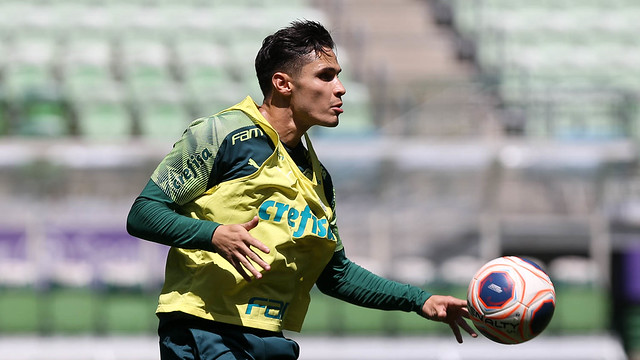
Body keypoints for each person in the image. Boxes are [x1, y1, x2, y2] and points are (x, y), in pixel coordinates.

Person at [127, 20, 477, 360]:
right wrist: (214, 234)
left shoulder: (318, 178)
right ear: (283, 84)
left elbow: (335, 274)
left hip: (270, 338)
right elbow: (144, 213)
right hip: (205, 329)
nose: (340, 88)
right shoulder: (222, 135)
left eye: (338, 76)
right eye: (326, 76)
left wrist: (419, 300)